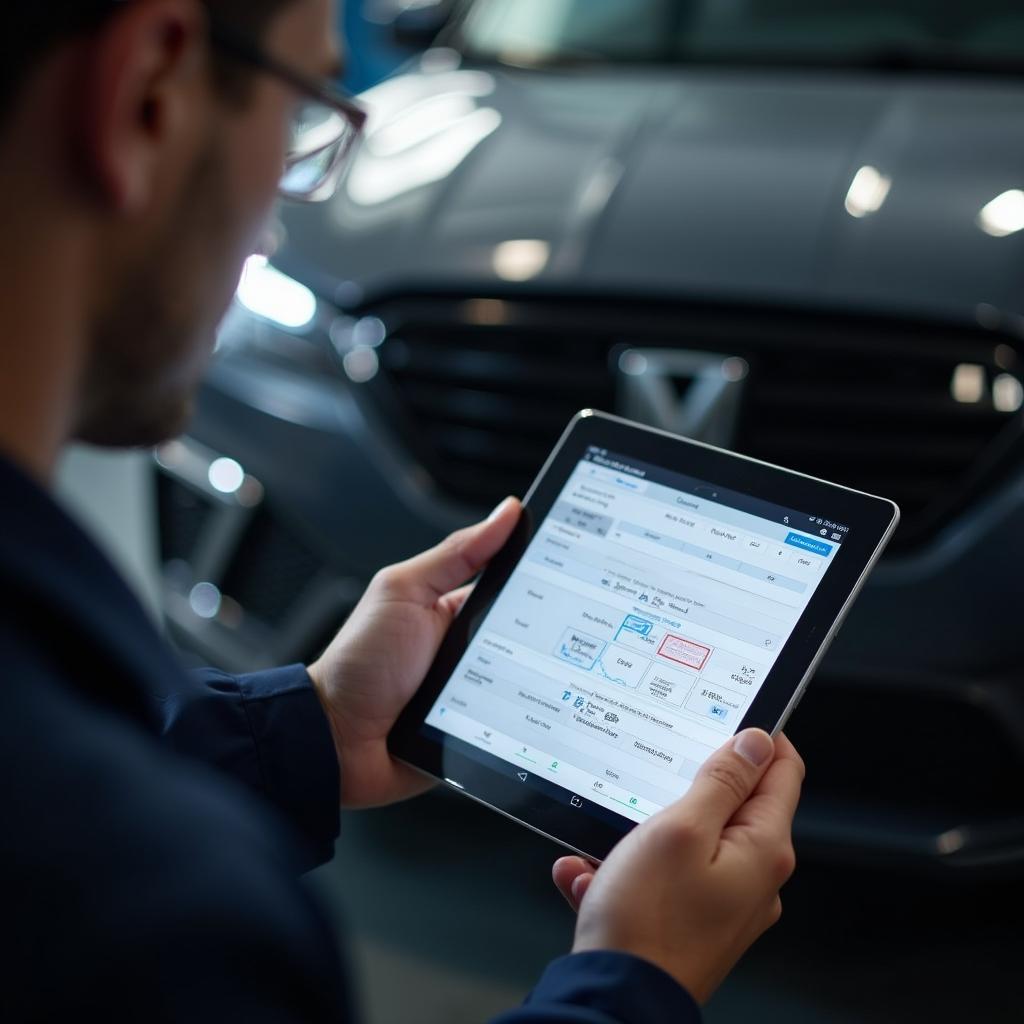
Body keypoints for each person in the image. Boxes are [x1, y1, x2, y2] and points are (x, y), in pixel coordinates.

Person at [0, 1, 805, 1020]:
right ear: (145, 97)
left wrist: (303, 732)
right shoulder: (152, 922)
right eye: (304, 115)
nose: (281, 213)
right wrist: (633, 982)